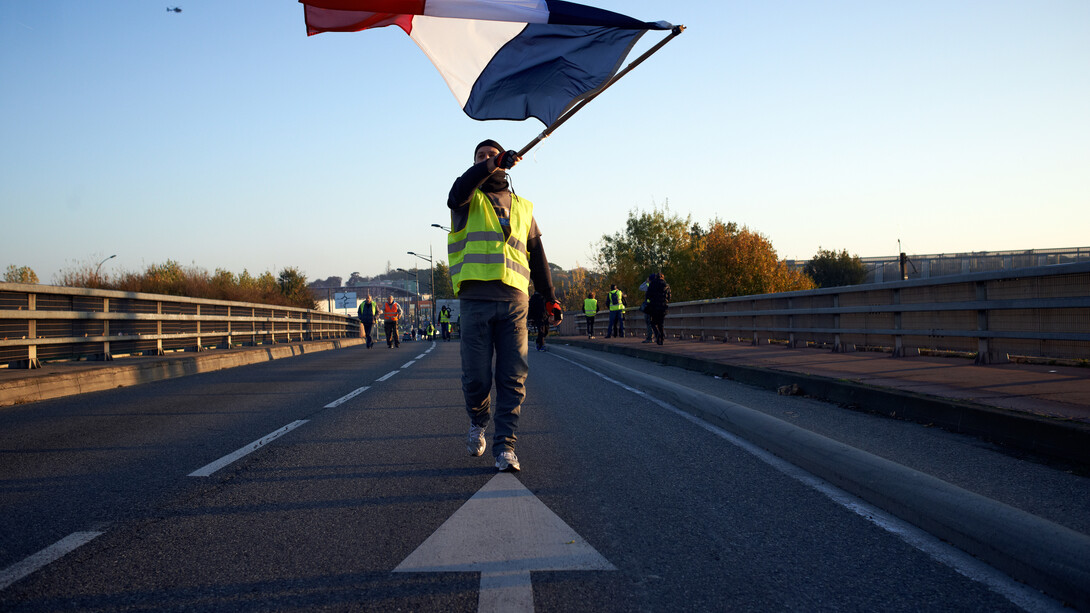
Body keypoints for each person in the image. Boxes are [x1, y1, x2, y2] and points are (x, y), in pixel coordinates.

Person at [447, 139, 563, 472]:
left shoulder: (525, 207)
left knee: (513, 378)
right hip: (475, 302)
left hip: (514, 302)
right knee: (476, 379)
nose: (487, 159)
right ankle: (477, 419)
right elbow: (458, 189)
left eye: (491, 154)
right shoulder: (465, 201)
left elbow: (538, 257)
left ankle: (505, 448)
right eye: (481, 157)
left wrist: (550, 297)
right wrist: (491, 164)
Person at [646, 273, 671, 345]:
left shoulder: (652, 284)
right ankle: (662, 338)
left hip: (654, 306)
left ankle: (657, 334)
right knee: (661, 323)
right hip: (663, 306)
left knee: (652, 322)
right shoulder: (666, 285)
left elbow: (648, 295)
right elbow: (669, 297)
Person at [639, 275, 654, 343]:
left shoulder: (649, 285)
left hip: (649, 306)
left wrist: (646, 281)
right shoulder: (658, 285)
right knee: (656, 323)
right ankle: (658, 337)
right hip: (657, 305)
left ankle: (649, 338)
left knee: (648, 322)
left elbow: (640, 287)